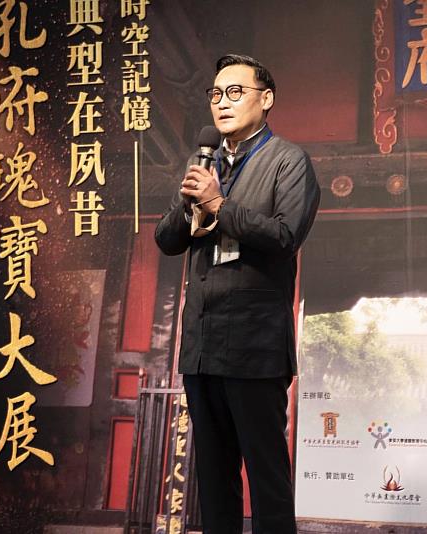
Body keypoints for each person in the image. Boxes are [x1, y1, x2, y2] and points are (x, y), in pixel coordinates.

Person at [155, 54, 320, 534]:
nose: (222, 103)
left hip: (254, 347)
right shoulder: (203, 162)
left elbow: (285, 236)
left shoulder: (288, 161)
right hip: (202, 347)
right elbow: (166, 240)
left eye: (235, 92)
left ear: (265, 99)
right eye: (215, 94)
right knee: (213, 479)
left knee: (267, 480)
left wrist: (218, 204)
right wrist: (190, 209)